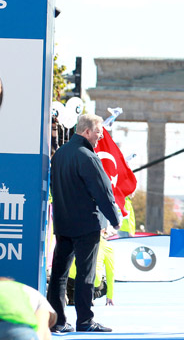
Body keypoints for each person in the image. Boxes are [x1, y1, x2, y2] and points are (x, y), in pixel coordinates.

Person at [47, 114, 121, 333]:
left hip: (63, 224)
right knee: (85, 275)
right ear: (87, 131)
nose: (100, 137)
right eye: (98, 133)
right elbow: (103, 191)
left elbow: (54, 187)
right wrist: (115, 219)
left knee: (59, 275)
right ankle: (85, 321)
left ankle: (58, 322)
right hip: (86, 225)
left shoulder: (59, 154)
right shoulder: (88, 156)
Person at [67, 229, 116, 306]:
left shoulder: (76, 238)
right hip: (92, 281)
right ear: (103, 231)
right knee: (104, 287)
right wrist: (110, 296)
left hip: (72, 278)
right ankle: (90, 296)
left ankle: (71, 296)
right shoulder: (107, 247)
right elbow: (110, 272)